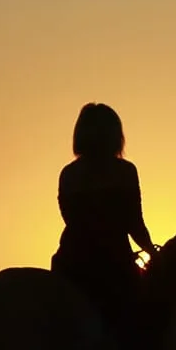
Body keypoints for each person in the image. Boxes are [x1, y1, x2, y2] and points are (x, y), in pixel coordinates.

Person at [50, 103, 158, 337]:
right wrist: (153, 252)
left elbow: (70, 220)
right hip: (114, 264)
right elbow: (134, 224)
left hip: (71, 261)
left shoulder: (68, 174)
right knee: (142, 325)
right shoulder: (125, 172)